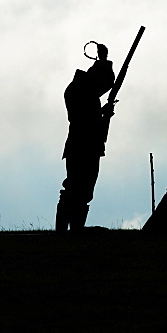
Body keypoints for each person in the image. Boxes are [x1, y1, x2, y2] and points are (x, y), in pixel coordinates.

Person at [55, 42, 116, 231]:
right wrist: (103, 61)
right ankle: (64, 231)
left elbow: (96, 128)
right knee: (74, 187)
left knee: (85, 190)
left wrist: (105, 115)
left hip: (90, 147)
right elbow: (87, 122)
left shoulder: (87, 95)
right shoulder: (77, 92)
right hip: (80, 146)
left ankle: (76, 230)